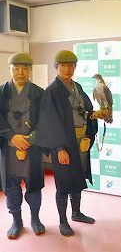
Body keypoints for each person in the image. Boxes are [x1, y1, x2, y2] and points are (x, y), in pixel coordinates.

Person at [35, 50, 98, 236]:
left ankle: (76, 213)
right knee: (63, 183)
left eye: (71, 65)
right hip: (62, 144)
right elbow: (49, 121)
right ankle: (63, 221)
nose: (68, 69)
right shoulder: (52, 91)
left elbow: (87, 109)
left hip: (80, 142)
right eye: (63, 65)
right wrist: (59, 149)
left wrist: (96, 116)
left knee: (77, 178)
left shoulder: (77, 87)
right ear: (57, 67)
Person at [0, 53, 45, 239]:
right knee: (12, 186)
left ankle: (35, 218)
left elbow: (45, 120)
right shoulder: (1, 92)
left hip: (31, 148)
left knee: (33, 186)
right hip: (9, 148)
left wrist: (32, 138)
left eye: (25, 68)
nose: (21, 72)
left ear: (30, 70)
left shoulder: (39, 93)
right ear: (9, 69)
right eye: (16, 68)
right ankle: (16, 221)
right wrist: (12, 137)